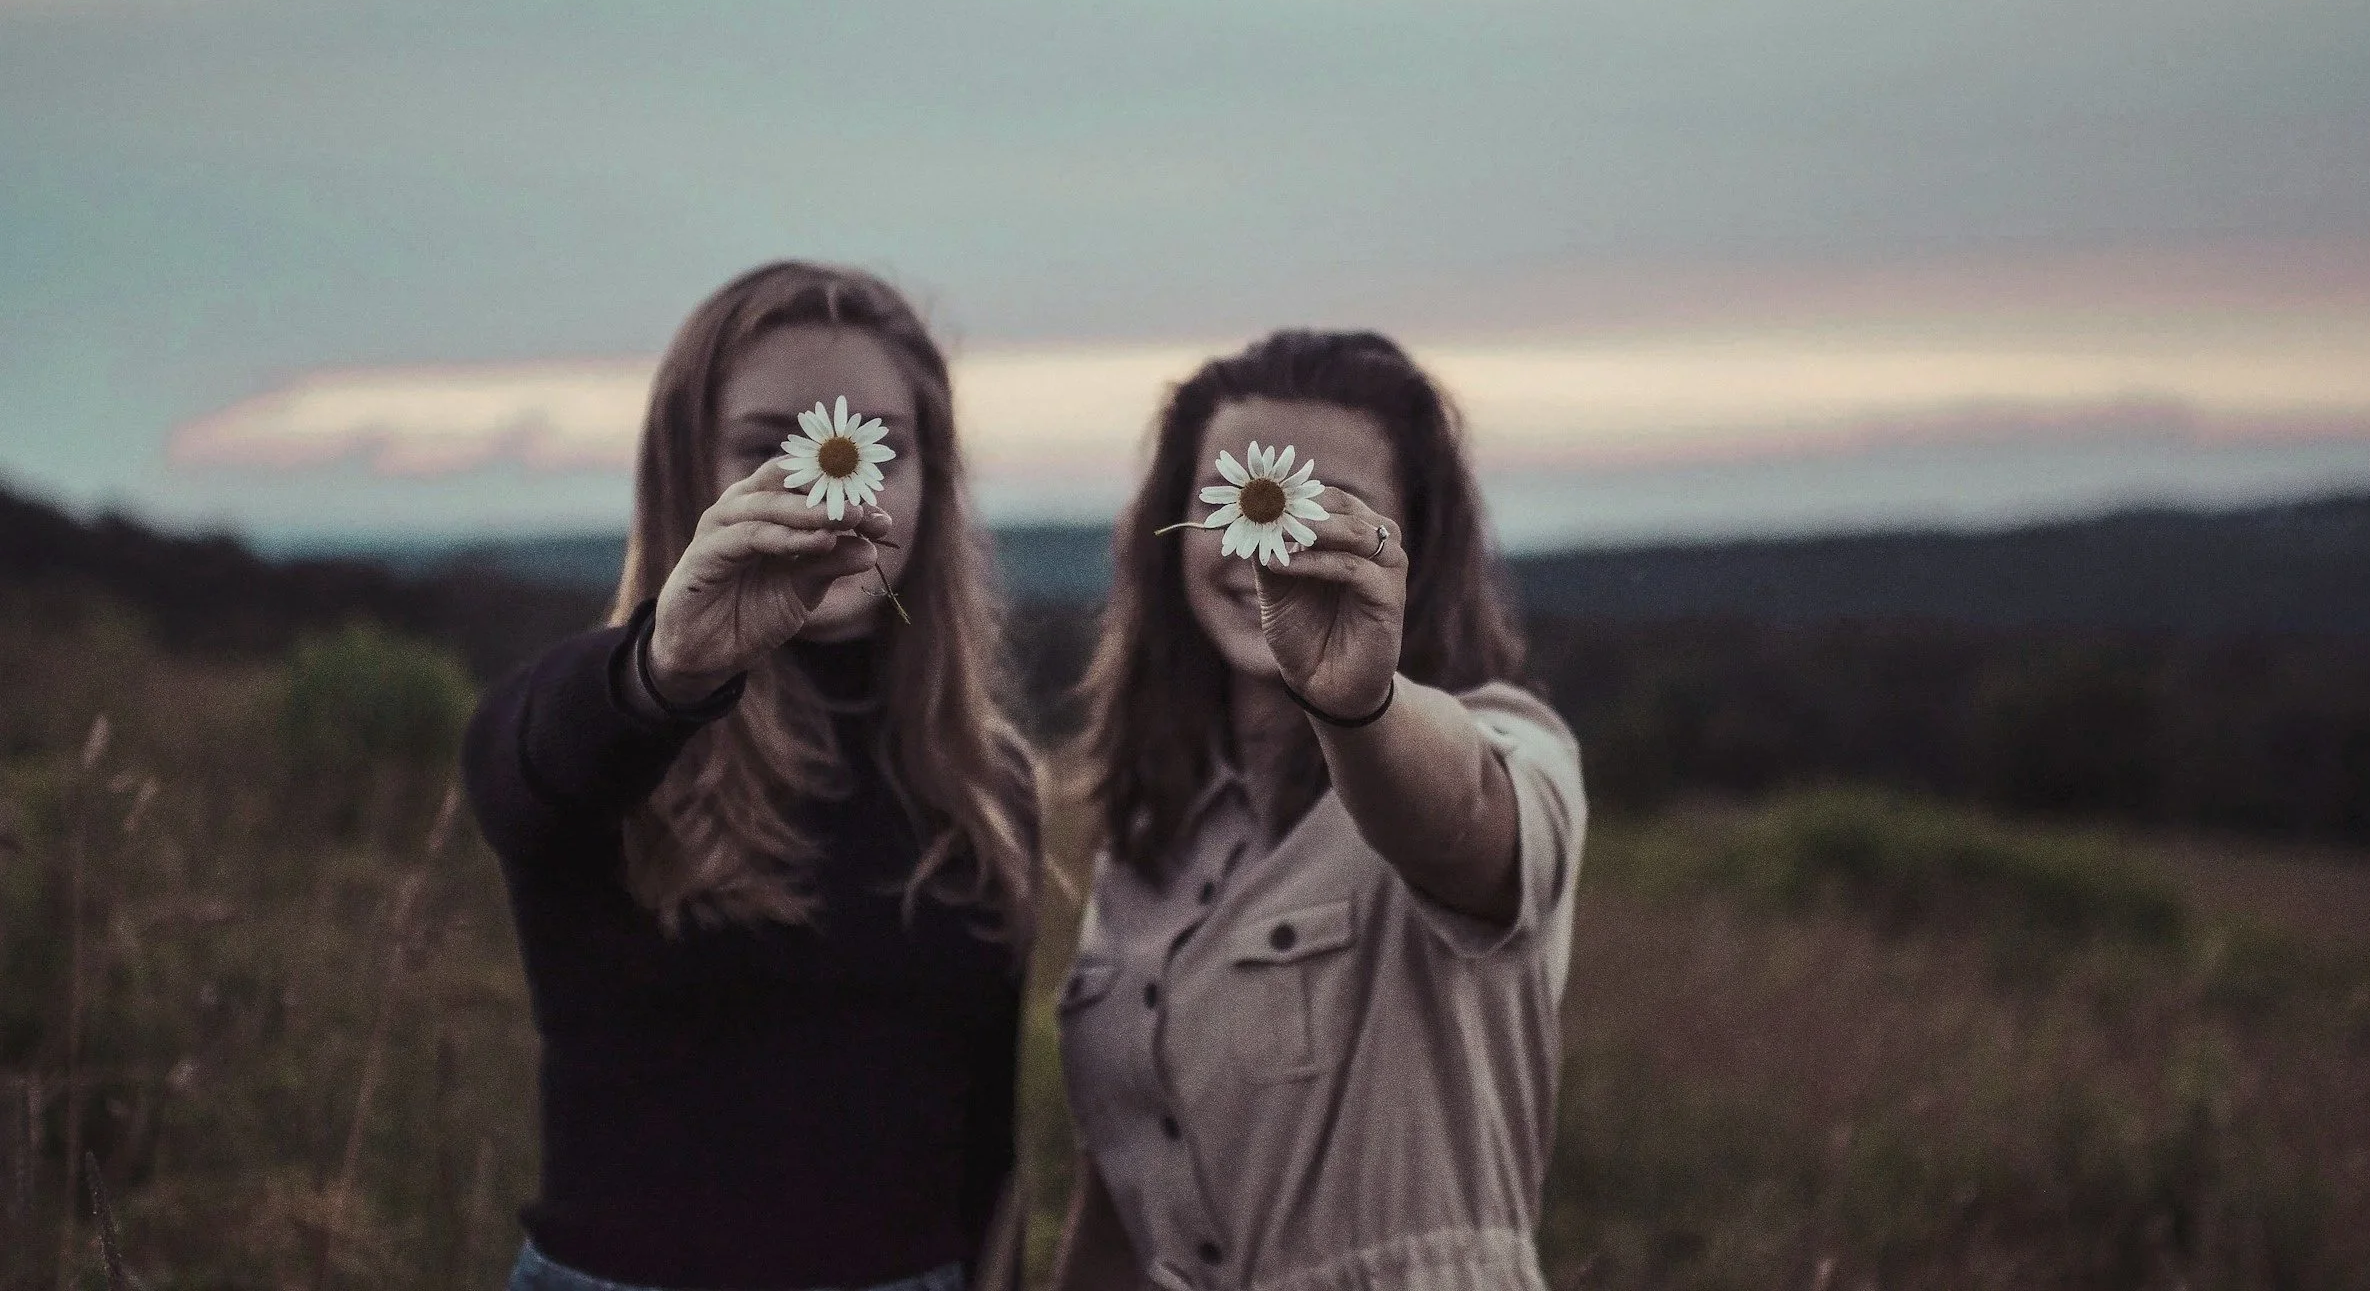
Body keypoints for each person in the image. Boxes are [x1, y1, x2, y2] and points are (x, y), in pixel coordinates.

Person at [463, 262, 1037, 1291]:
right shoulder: (610, 725)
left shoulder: (986, 779)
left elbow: (989, 1150)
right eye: (770, 445)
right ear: (686, 469)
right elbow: (524, 765)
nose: (831, 481)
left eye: (881, 447)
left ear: (931, 480)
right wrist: (666, 669)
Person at [1048, 330, 1587, 1291]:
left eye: (1332, 505)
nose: (1274, 536)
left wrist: (1358, 702)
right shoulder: (1148, 839)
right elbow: (1123, 1203)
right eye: (1239, 495)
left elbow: (1464, 821)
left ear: (1417, 542)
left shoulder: (1507, 745)